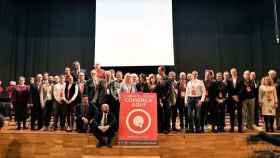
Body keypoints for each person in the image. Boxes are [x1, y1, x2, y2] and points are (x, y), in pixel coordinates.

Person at [156, 66, 172, 134]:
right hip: (160, 99)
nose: (158, 71)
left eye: (159, 70)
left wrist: (164, 97)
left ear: (162, 71)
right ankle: (161, 128)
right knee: (161, 114)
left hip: (166, 99)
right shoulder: (159, 79)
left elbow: (169, 90)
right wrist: (160, 98)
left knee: (166, 114)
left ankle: (167, 129)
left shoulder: (167, 79)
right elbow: (158, 89)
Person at [227, 68, 243, 133]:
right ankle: (232, 128)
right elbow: (228, 90)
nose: (233, 73)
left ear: (236, 72)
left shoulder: (241, 80)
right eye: (232, 72)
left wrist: (237, 96)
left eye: (235, 72)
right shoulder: (229, 80)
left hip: (239, 98)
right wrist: (233, 96)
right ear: (231, 73)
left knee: (239, 114)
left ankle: (239, 128)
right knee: (232, 114)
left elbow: (242, 89)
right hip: (231, 99)